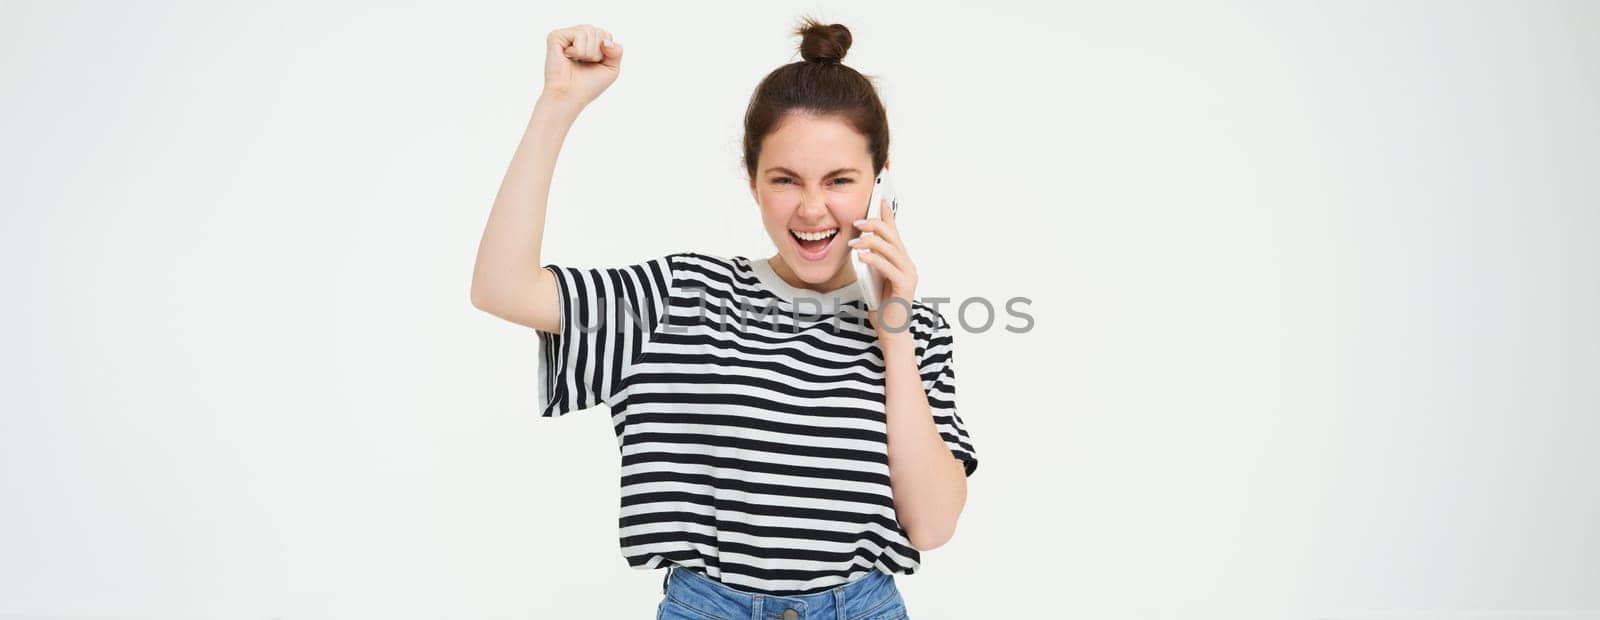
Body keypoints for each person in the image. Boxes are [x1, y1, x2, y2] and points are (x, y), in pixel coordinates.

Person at [471, 16, 977, 619]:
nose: (812, 209)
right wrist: (558, 103)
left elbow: (932, 526)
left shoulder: (918, 332)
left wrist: (893, 333)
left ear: (880, 181)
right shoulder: (681, 296)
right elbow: (501, 288)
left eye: (840, 180)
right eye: (785, 180)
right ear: (753, 181)